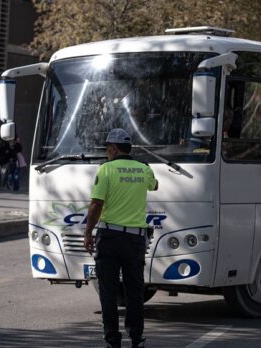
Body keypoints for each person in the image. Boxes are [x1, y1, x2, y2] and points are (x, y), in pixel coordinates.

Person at [84, 128, 158, 348]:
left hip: (109, 238)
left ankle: (112, 341)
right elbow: (155, 185)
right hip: (135, 240)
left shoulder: (106, 170)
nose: (106, 152)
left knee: (108, 291)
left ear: (114, 148)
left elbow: (96, 204)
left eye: (107, 148)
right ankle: (137, 338)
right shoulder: (144, 169)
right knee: (135, 291)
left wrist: (88, 232)